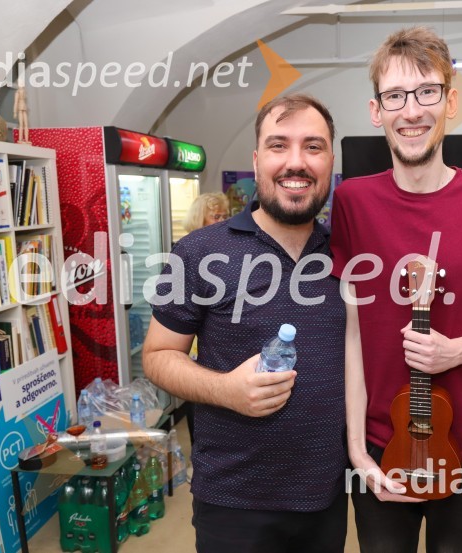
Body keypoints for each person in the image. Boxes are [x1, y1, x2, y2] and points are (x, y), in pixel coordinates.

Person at [329, 27, 462, 553]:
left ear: (450, 101)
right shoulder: (352, 201)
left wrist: (456, 350)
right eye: (395, 96)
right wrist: (357, 450)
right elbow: (352, 334)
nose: (412, 110)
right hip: (382, 446)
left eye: (426, 92)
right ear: (377, 111)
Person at [143, 94, 349, 552]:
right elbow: (157, 357)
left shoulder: (351, 254)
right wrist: (226, 390)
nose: (296, 162)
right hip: (233, 504)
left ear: (330, 161)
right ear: (257, 161)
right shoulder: (198, 253)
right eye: (279, 145)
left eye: (313, 147)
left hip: (327, 498)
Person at [177, 191, 230, 449]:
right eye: (215, 216)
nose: (222, 220)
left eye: (224, 215)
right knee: (197, 402)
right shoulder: (190, 249)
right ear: (200, 219)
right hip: (193, 345)